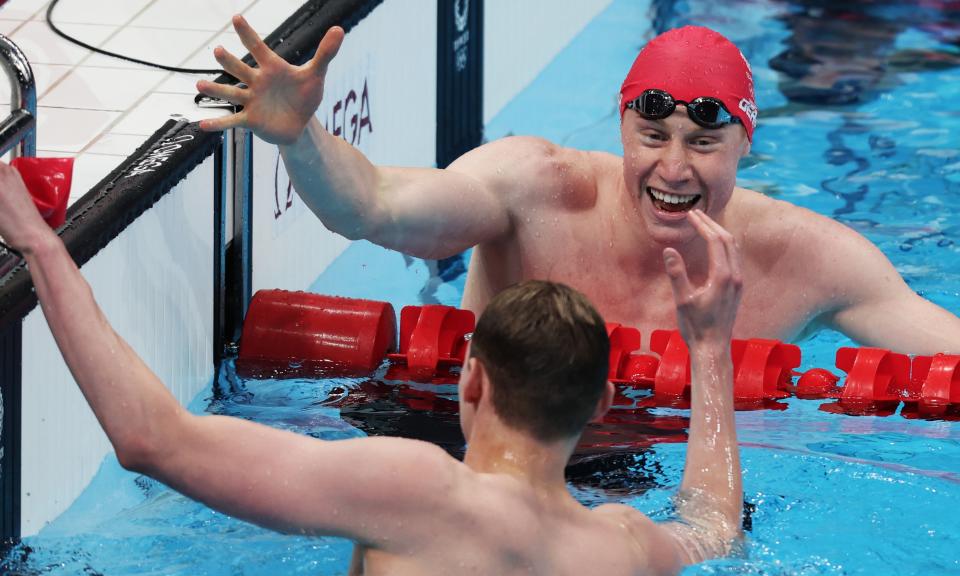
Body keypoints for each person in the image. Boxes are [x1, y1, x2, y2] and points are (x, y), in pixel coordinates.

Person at [0, 158, 743, 576]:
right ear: (603, 400)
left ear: (472, 380)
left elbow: (150, 439)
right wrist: (709, 349)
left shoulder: (420, 492)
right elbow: (716, 529)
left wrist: (39, 243)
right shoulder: (618, 549)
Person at [197, 18, 960, 356]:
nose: (673, 168)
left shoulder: (811, 259)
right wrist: (298, 138)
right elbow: (373, 208)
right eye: (652, 136)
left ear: (746, 145)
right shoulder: (534, 188)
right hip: (476, 445)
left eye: (704, 143)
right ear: (621, 127)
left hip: (653, 484)